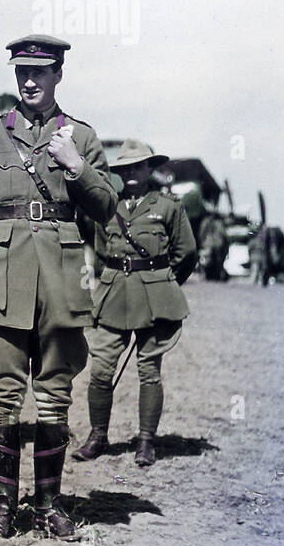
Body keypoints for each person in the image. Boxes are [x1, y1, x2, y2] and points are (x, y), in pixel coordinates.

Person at [0, 35, 117, 539]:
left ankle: (49, 506)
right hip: (4, 278)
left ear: (58, 75)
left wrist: (76, 166)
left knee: (54, 393)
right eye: (22, 72)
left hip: (61, 279)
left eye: (40, 72)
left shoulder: (81, 136)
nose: (29, 81)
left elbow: (106, 208)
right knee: (3, 392)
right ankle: (3, 508)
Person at [74, 140, 196, 466]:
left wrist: (164, 284)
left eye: (138, 166)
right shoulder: (108, 206)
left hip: (155, 298)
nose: (132, 172)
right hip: (114, 296)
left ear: (150, 169)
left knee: (149, 371)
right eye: (126, 167)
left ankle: (145, 442)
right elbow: (102, 252)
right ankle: (98, 436)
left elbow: (186, 253)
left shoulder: (168, 206)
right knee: (100, 369)